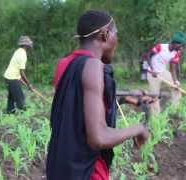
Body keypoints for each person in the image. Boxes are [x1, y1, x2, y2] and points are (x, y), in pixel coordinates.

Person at [46, 10, 149, 180]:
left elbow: (77, 109)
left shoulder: (64, 64)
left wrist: (123, 98)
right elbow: (98, 138)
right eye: (116, 34)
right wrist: (139, 129)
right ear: (105, 35)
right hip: (87, 171)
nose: (117, 40)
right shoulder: (93, 66)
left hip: (59, 166)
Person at [142, 32, 186, 113]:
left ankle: (175, 112)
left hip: (163, 72)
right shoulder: (161, 47)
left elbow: (172, 68)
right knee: (154, 96)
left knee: (176, 89)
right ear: (175, 43)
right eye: (181, 45)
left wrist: (175, 81)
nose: (181, 48)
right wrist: (152, 69)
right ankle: (157, 118)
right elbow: (148, 55)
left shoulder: (176, 53)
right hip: (152, 74)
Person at [3, 35, 34, 114]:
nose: (31, 46)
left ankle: (9, 113)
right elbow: (22, 72)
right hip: (12, 78)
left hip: (8, 77)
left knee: (11, 98)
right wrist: (29, 84)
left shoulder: (18, 51)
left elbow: (16, 68)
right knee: (20, 99)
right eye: (29, 44)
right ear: (26, 45)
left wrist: (20, 79)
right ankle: (25, 116)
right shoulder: (23, 54)